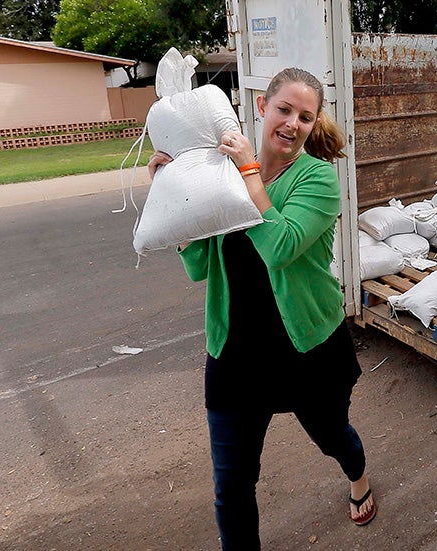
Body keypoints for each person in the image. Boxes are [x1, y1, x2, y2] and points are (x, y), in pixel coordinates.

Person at [148, 67, 376, 549]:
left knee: (333, 438)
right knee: (231, 487)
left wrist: (249, 173)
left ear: (314, 125)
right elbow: (198, 267)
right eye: (284, 109)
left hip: (308, 349)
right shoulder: (219, 174)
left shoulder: (316, 179)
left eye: (306, 116)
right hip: (235, 354)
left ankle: (357, 478)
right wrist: (174, 197)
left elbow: (281, 247)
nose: (293, 123)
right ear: (261, 108)